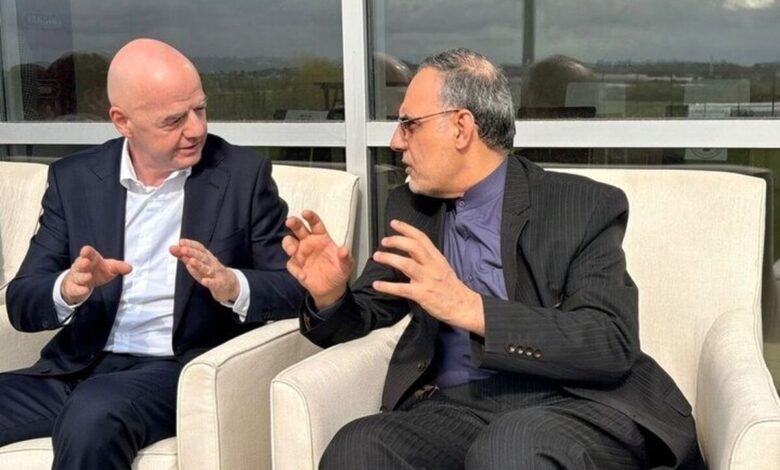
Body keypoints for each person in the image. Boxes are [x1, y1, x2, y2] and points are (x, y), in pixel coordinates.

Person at [284, 48, 704, 469]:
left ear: (461, 127)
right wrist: (331, 296)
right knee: (357, 447)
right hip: (459, 407)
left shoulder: (580, 205)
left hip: (574, 400)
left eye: (409, 124)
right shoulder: (411, 208)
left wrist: (470, 308)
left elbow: (608, 341)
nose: (395, 141)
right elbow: (368, 313)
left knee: (511, 447)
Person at [2, 38, 303, 469]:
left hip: (175, 369)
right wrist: (68, 289)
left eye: (200, 109)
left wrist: (232, 284)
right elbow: (22, 301)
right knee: (89, 401)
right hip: (76, 367)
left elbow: (294, 287)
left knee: (93, 414)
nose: (196, 129)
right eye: (174, 119)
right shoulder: (74, 179)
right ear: (122, 121)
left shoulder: (242, 175)